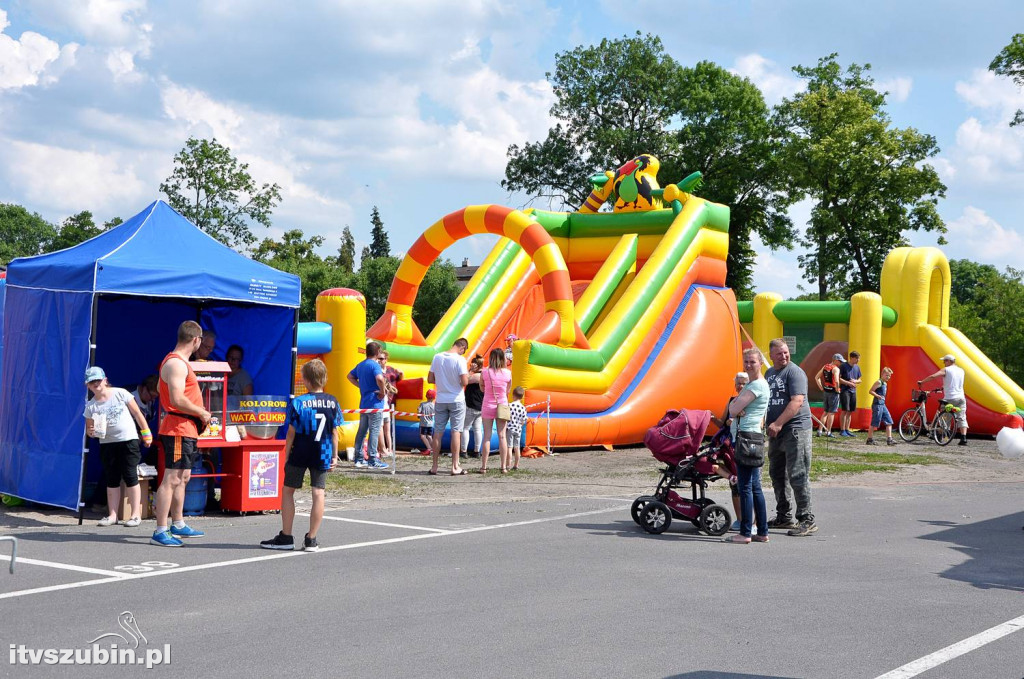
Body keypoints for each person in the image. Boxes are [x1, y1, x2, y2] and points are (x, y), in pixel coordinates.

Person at [261, 359, 340, 552]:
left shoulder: (299, 402)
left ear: (304, 379)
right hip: (323, 450)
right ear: (324, 378)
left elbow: (291, 432)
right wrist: (335, 455)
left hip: (301, 449)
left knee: (288, 491)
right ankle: (311, 538)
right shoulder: (333, 402)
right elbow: (335, 431)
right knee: (318, 492)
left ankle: (286, 536)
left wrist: (286, 454)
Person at [152, 320, 211, 547]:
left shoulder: (177, 362)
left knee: (183, 477)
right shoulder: (176, 364)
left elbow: (160, 389)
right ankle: (160, 529)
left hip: (185, 428)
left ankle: (177, 523)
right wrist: (202, 412)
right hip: (178, 428)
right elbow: (176, 399)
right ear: (196, 340)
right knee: (172, 478)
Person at [84, 367, 153, 528]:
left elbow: (137, 414)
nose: (96, 384)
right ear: (87, 385)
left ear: (105, 380)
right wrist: (91, 432)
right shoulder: (91, 406)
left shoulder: (120, 393)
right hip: (107, 443)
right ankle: (112, 514)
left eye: (98, 381)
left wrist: (146, 433)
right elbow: (89, 430)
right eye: (91, 382)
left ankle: (135, 514)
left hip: (128, 439)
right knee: (111, 478)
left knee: (130, 475)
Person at [764, 338, 817, 537]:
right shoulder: (769, 373)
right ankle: (783, 516)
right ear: (771, 355)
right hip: (776, 431)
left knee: (797, 473)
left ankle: (806, 519)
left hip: (795, 430)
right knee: (777, 473)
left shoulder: (795, 373)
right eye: (779, 353)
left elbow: (797, 401)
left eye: (786, 352)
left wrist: (778, 423)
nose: (784, 356)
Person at [724, 348, 771, 544]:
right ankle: (762, 531)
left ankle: (745, 532)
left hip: (746, 437)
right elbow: (736, 409)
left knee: (745, 487)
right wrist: (738, 408)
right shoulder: (755, 384)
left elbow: (732, 409)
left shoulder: (756, 386)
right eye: (746, 361)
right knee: (755, 487)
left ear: (760, 362)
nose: (748, 364)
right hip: (753, 436)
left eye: (752, 361)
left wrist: (737, 408)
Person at [711, 371, 748, 530]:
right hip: (729, 445)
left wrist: (738, 420)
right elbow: (723, 424)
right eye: (738, 383)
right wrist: (713, 418)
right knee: (735, 486)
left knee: (747, 484)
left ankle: (750, 521)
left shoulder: (753, 401)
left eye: (743, 383)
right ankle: (739, 519)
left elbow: (759, 423)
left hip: (745, 444)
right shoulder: (732, 400)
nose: (740, 386)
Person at [428, 338, 470, 475]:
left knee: (438, 432)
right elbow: (464, 381)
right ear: (462, 347)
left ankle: (434, 466)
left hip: (440, 399)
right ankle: (454, 466)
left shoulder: (437, 357)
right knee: (456, 432)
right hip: (456, 399)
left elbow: (430, 379)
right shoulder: (460, 360)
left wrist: (442, 381)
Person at [346, 341, 389, 470]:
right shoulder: (375, 365)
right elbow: (380, 379)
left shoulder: (361, 365)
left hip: (364, 402)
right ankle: (372, 459)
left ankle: (358, 459)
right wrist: (382, 391)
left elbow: (349, 376)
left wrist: (361, 386)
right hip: (375, 403)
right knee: (374, 431)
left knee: (362, 431)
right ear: (377, 353)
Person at [919, 354, 968, 446]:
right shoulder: (961, 370)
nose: (944, 363)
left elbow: (933, 376)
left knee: (944, 417)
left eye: (944, 361)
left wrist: (922, 382)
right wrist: (944, 387)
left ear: (949, 361)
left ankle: (941, 437)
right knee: (962, 417)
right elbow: (954, 382)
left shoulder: (946, 370)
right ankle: (963, 438)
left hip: (950, 398)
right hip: (961, 397)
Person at [479, 348, 512, 474]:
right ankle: (503, 467)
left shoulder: (485, 372)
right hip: (502, 405)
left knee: (486, 436)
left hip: (487, 404)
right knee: (502, 436)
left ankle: (484, 466)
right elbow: (507, 390)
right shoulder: (508, 373)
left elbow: (481, 388)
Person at [377, 350, 402, 458]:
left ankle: (390, 449)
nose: (379, 360)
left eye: (382, 359)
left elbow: (399, 376)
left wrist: (401, 374)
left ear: (386, 360)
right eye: (378, 358)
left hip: (389, 401)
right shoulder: (377, 371)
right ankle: (381, 449)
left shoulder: (391, 370)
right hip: (380, 402)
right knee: (380, 427)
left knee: (387, 429)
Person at [866, 367, 896, 446]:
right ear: (882, 374)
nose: (888, 377)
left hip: (883, 405)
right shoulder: (878, 382)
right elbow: (871, 391)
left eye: (889, 376)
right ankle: (869, 439)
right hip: (877, 405)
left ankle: (889, 439)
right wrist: (877, 396)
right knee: (874, 422)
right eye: (886, 375)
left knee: (889, 421)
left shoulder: (885, 383)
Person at [462, 355, 484, 459]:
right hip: (480, 406)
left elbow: (464, 380)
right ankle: (477, 451)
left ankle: (463, 451)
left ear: (477, 365)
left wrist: (469, 370)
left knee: (465, 428)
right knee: (477, 429)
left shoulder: (477, 376)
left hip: (472, 405)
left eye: (473, 364)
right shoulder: (484, 374)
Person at [815, 354, 843, 437]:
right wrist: (837, 390)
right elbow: (837, 381)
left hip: (826, 391)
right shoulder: (836, 369)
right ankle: (828, 431)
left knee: (825, 412)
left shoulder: (825, 366)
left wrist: (821, 388)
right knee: (831, 413)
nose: (841, 363)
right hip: (833, 392)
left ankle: (820, 430)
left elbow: (816, 377)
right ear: (836, 360)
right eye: (840, 361)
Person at [838, 351, 862, 437]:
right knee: (845, 410)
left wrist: (855, 381)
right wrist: (848, 383)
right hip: (845, 391)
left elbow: (860, 379)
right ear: (851, 358)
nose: (858, 360)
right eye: (857, 358)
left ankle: (847, 429)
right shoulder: (843, 366)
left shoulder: (857, 367)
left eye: (858, 358)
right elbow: (838, 378)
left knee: (850, 411)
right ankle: (842, 430)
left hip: (853, 391)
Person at [506, 386, 528, 471]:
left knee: (509, 447)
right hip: (518, 429)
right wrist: (519, 425)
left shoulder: (510, 405)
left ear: (513, 395)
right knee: (517, 447)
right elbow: (524, 420)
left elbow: (507, 416)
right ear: (522, 397)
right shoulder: (523, 408)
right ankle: (516, 465)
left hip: (510, 428)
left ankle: (508, 464)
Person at [417, 389, 436, 455]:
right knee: (429, 436)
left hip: (423, 423)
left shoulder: (422, 404)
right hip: (431, 424)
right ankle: (434, 449)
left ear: (426, 396)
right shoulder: (434, 405)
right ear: (434, 397)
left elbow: (419, 414)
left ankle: (429, 448)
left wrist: (418, 411)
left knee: (422, 436)